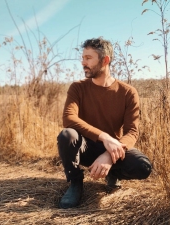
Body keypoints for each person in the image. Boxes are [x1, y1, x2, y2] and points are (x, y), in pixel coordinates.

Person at [57, 37, 152, 209]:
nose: (83, 63)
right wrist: (104, 137)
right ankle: (75, 184)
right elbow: (69, 118)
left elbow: (132, 132)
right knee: (67, 135)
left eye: (88, 58)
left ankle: (113, 174)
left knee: (143, 166)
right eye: (83, 58)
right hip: (85, 146)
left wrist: (109, 155)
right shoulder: (77, 88)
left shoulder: (128, 92)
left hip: (113, 148)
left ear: (105, 60)